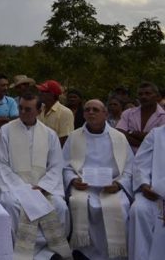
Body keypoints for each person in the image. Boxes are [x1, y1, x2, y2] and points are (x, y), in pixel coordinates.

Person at [0, 93, 71, 259]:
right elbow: (1, 164)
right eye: (20, 108)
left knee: (60, 206)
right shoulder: (6, 130)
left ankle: (50, 252)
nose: (22, 112)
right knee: (10, 204)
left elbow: (56, 165)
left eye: (28, 109)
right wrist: (22, 189)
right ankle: (16, 252)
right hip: (14, 187)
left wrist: (43, 187)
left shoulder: (50, 134)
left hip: (43, 188)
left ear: (39, 110)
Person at [62, 99, 133, 260]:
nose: (91, 113)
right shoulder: (74, 136)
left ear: (105, 114)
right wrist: (73, 180)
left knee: (121, 207)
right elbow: (65, 166)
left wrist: (118, 184)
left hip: (111, 187)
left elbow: (129, 168)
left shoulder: (119, 137)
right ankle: (83, 252)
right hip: (83, 187)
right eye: (87, 110)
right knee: (79, 203)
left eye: (95, 110)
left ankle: (115, 254)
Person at [129, 124, 165, 260]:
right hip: (154, 193)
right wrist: (144, 184)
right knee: (139, 209)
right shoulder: (156, 134)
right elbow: (141, 162)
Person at [116, 81, 165, 153]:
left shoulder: (163, 116)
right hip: (128, 157)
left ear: (157, 96)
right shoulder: (127, 113)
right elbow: (118, 134)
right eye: (140, 94)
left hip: (154, 159)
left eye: (148, 93)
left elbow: (159, 140)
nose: (143, 97)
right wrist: (144, 143)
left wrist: (130, 132)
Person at [37, 80, 74, 145]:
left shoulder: (65, 112)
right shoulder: (39, 109)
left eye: (43, 91)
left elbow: (65, 139)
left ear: (51, 94)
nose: (39, 93)